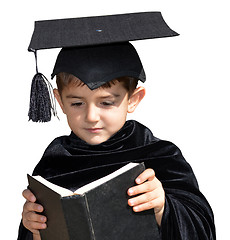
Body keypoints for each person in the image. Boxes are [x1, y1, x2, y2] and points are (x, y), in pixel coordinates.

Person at [18, 12, 215, 240]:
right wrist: (33, 228)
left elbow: (202, 229)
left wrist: (163, 207)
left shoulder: (160, 156)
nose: (91, 116)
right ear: (59, 101)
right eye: (77, 103)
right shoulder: (54, 162)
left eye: (107, 102)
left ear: (133, 99)